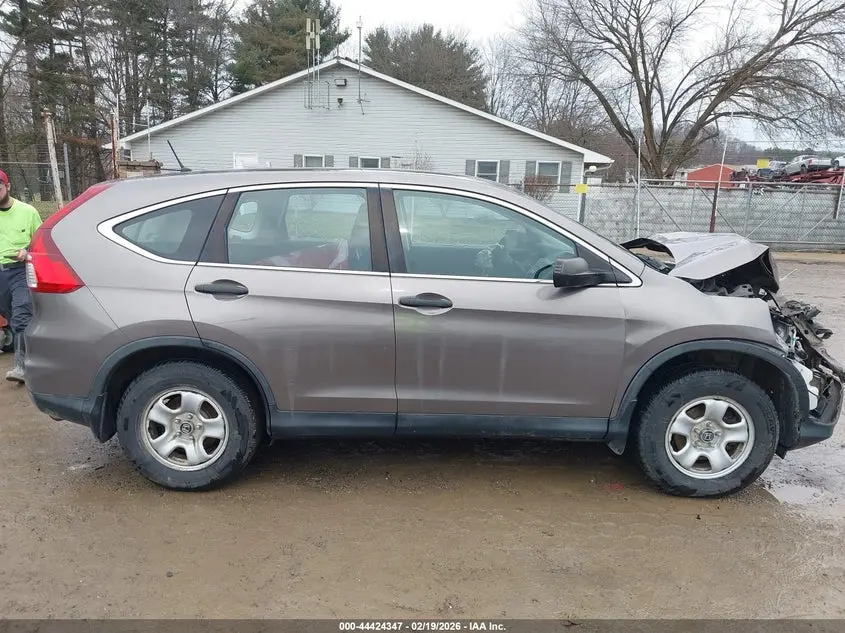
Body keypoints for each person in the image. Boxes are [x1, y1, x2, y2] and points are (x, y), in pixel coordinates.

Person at [0, 169, 42, 383]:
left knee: (21, 316)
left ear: (7, 187)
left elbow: (40, 243)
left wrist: (26, 252)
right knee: (11, 316)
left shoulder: (27, 212)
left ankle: (21, 366)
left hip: (19, 270)